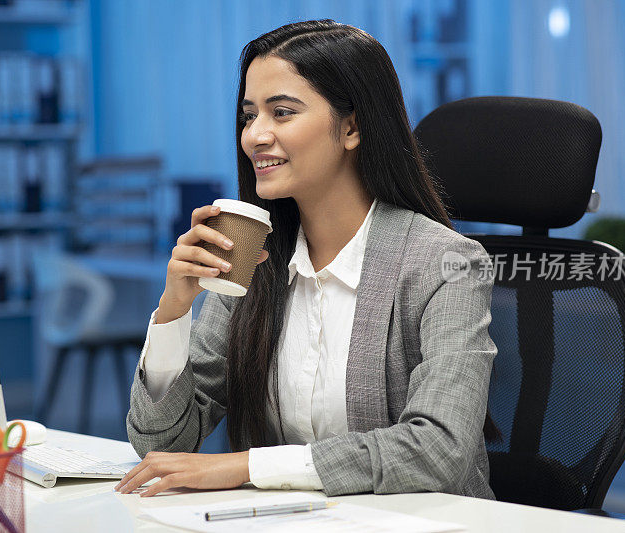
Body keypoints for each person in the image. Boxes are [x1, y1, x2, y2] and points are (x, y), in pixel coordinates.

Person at [115, 19, 499, 499]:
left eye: (282, 113)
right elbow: (161, 440)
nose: (255, 135)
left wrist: (249, 467)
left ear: (352, 126)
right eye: (248, 115)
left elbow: (438, 450)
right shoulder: (254, 261)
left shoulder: (446, 264)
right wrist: (173, 311)